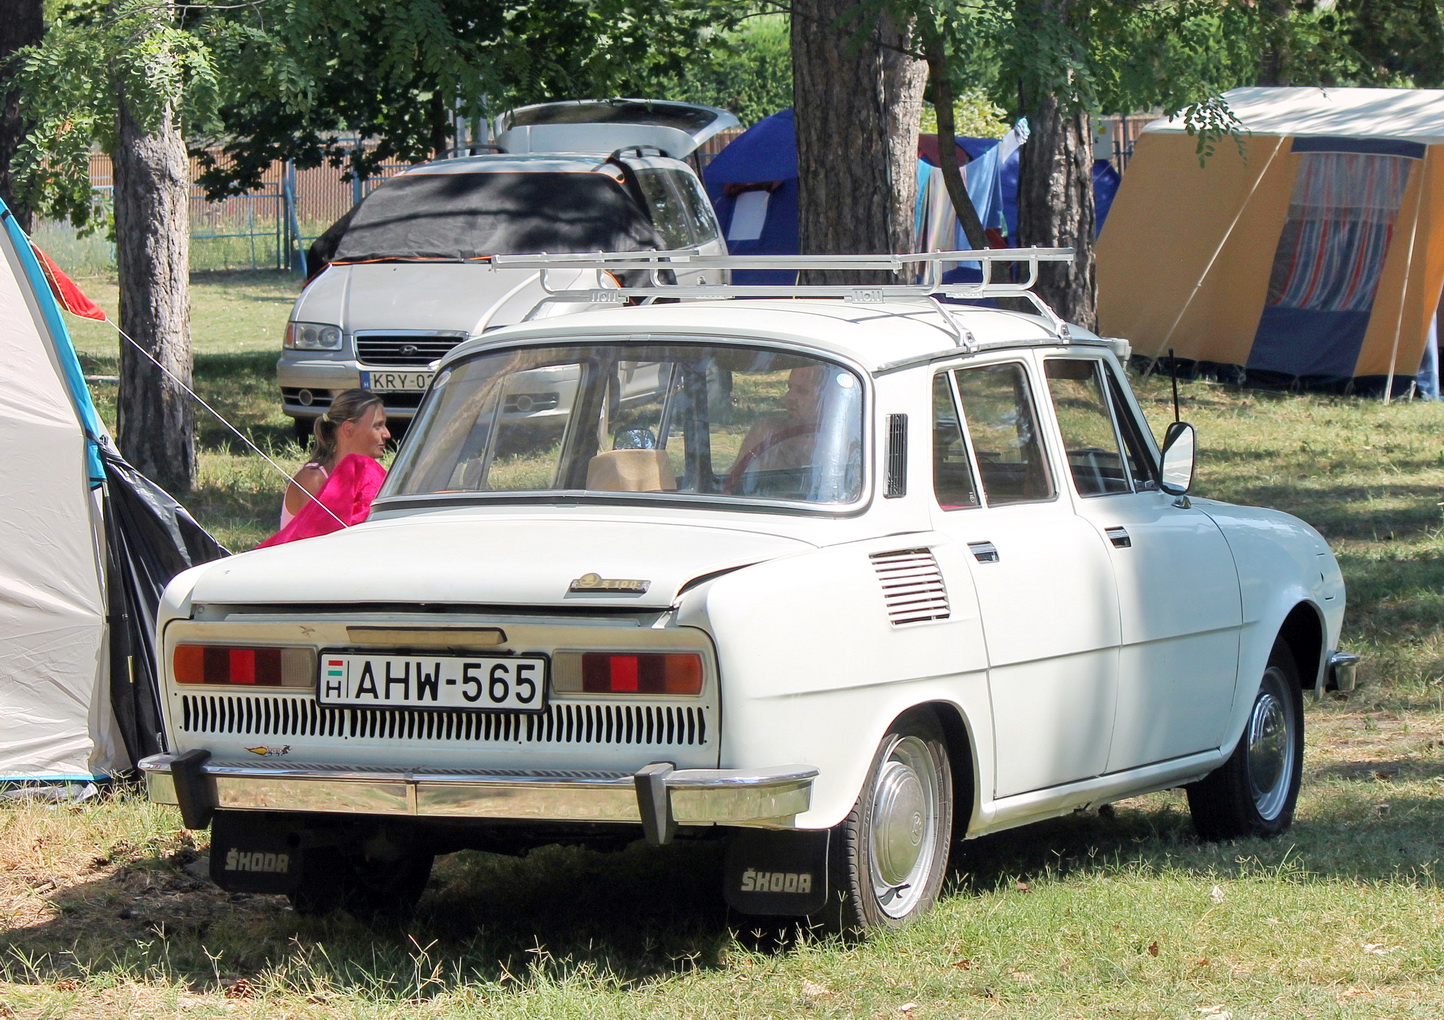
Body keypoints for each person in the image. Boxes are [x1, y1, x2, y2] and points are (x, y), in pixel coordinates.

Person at [261, 389, 390, 547]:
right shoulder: (313, 479)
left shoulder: (373, 478)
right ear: (348, 429)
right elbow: (319, 543)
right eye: (378, 426)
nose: (387, 434)